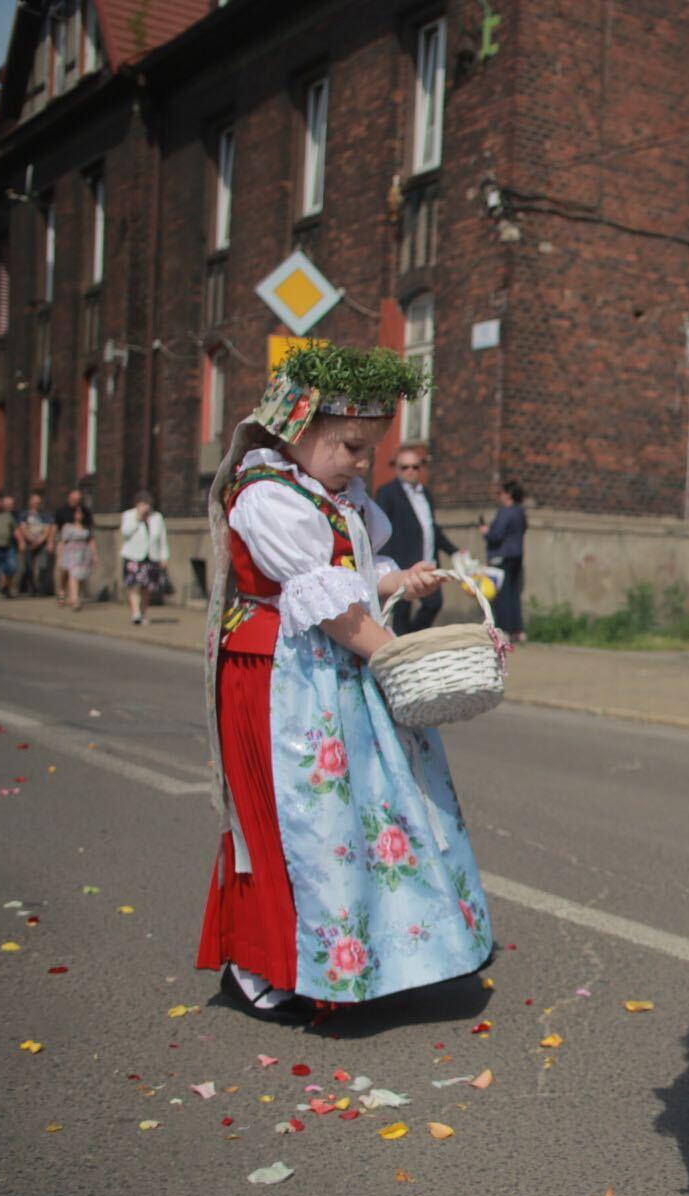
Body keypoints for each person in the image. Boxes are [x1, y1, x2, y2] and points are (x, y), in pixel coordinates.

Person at [195, 343, 494, 1019]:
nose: (363, 466)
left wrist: (397, 579)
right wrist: (393, 657)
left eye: (371, 452)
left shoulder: (336, 495)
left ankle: (374, 952)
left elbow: (355, 573)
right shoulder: (268, 496)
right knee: (294, 818)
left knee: (361, 814)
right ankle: (266, 959)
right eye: (352, 447)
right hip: (279, 676)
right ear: (296, 430)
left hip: (334, 670)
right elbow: (329, 605)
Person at [373, 446, 458, 635]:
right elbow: (380, 530)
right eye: (405, 467)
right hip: (401, 562)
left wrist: (453, 550)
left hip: (427, 561)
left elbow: (431, 528)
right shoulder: (387, 493)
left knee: (434, 603)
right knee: (402, 610)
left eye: (415, 467)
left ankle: (413, 636)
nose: (410, 471)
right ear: (397, 469)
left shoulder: (425, 494)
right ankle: (404, 645)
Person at [477, 479, 526, 643]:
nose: (500, 496)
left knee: (502, 595)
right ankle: (518, 630)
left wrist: (485, 532)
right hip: (516, 556)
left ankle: (504, 629)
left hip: (501, 557)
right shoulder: (520, 512)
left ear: (508, 494)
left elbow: (496, 535)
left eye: (501, 493)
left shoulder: (506, 512)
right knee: (513, 593)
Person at [119, 490, 170, 625]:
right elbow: (125, 532)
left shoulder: (157, 517)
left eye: (147, 504)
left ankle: (143, 613)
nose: (146, 507)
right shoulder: (129, 515)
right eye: (143, 504)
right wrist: (138, 518)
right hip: (133, 556)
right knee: (134, 585)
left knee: (146, 587)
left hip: (151, 556)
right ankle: (135, 613)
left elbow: (162, 538)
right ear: (137, 504)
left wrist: (164, 556)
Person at [52, 486, 89, 605]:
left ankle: (73, 597)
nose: (76, 501)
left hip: (80, 549)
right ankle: (61, 591)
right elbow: (55, 528)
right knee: (63, 570)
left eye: (78, 499)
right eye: (74, 498)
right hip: (66, 545)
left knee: (75, 573)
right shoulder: (62, 511)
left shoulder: (85, 512)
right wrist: (52, 544)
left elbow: (90, 534)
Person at [55, 503, 96, 610]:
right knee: (71, 575)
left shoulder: (87, 527)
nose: (79, 515)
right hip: (70, 552)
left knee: (80, 576)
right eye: (76, 512)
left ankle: (74, 597)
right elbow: (63, 542)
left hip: (83, 554)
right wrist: (59, 556)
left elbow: (91, 541)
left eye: (80, 513)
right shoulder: (67, 527)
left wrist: (94, 555)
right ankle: (72, 598)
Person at [15, 492, 54, 596]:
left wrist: (41, 541)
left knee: (42, 566)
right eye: (35, 501)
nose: (37, 503)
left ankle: (41, 589)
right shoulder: (24, 515)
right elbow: (22, 529)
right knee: (28, 567)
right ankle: (31, 588)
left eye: (38, 502)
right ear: (30, 502)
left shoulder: (45, 516)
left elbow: (48, 530)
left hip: (41, 544)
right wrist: (30, 540)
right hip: (29, 543)